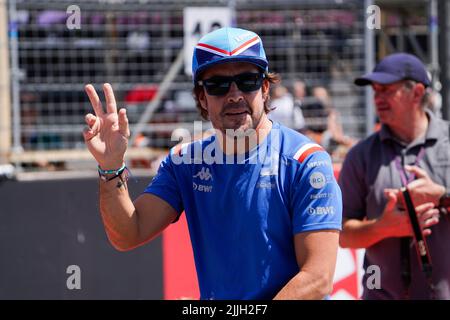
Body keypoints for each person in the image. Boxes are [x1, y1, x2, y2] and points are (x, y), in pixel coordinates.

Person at [82, 27, 342, 300]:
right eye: (218, 85)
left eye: (248, 81)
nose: (234, 95)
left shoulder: (306, 162)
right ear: (202, 98)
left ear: (265, 89)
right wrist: (110, 166)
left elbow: (317, 278)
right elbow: (128, 234)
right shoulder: (185, 162)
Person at [339, 52, 450, 299]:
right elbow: (342, 236)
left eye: (387, 90)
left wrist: (443, 196)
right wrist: (384, 227)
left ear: (418, 93)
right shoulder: (361, 155)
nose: (378, 98)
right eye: (375, 91)